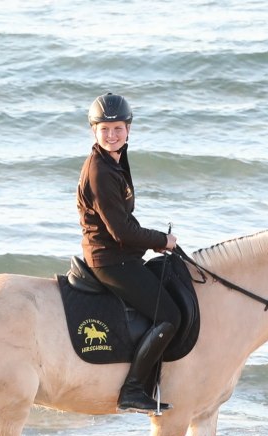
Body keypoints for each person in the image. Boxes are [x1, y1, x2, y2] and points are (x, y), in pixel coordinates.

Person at [76, 92, 181, 414]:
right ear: (94, 131)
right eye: (105, 129)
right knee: (170, 315)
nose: (112, 135)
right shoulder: (101, 171)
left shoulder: (115, 160)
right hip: (110, 259)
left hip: (120, 254)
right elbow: (120, 231)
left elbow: (123, 220)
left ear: (129, 129)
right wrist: (161, 240)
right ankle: (133, 389)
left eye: (117, 128)